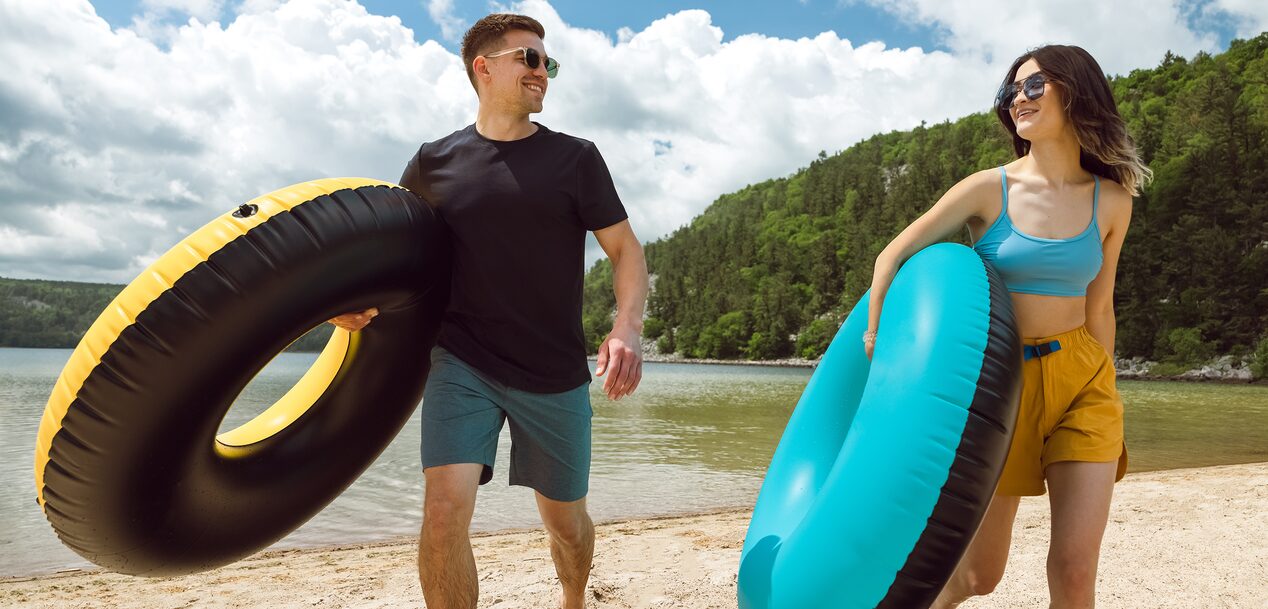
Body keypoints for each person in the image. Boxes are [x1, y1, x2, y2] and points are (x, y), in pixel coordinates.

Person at [330, 13, 648, 609]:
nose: (543, 74)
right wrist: (349, 300)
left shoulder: (575, 159)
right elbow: (398, 251)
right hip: (462, 360)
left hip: (553, 373)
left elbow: (626, 250)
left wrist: (625, 326)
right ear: (484, 67)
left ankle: (574, 598)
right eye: (530, 59)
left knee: (566, 526)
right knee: (444, 510)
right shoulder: (432, 162)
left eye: (548, 64)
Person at [864, 45, 1149, 608]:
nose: (1019, 97)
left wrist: (1107, 383)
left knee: (1072, 569)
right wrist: (876, 344)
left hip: (1082, 384)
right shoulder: (987, 190)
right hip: (998, 389)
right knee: (975, 577)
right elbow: (891, 258)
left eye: (1035, 85)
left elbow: (1100, 308)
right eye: (1011, 90)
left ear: (1076, 91)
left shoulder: (1112, 200)